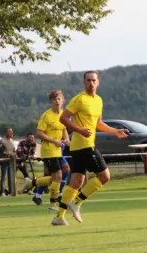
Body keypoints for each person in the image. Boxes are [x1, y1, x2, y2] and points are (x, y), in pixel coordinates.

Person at [53, 70, 129, 226]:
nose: (91, 83)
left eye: (94, 80)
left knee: (76, 182)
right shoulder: (79, 99)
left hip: (83, 146)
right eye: (88, 80)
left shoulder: (99, 101)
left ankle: (59, 216)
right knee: (105, 176)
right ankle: (77, 202)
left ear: (98, 82)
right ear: (83, 82)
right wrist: (79, 130)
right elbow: (63, 117)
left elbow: (98, 123)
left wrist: (115, 131)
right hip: (83, 145)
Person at [30, 90, 70, 211]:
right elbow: (39, 133)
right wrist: (54, 141)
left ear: (63, 100)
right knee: (57, 176)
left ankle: (33, 183)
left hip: (58, 150)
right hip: (48, 150)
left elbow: (63, 129)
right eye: (54, 100)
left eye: (59, 99)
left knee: (62, 172)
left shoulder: (63, 114)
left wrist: (67, 139)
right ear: (51, 102)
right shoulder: (46, 115)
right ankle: (53, 203)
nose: (57, 102)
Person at [0, 128, 16, 196]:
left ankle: (10, 191)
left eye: (12, 131)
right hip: (4, 160)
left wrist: (14, 154)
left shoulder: (12, 141)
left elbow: (13, 150)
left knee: (10, 176)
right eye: (9, 131)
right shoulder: (2, 141)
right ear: (6, 132)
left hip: (11, 161)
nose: (11, 132)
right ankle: (2, 191)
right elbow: (1, 151)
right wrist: (8, 153)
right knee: (4, 176)